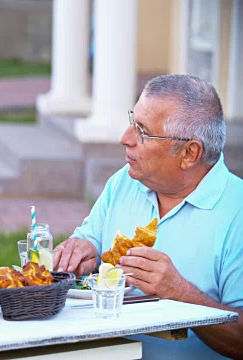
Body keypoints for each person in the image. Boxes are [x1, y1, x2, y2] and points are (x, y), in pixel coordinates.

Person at [53, 74, 242, 358]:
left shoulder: (237, 210)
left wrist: (180, 293)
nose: (125, 138)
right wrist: (83, 252)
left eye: (143, 131)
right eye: (132, 121)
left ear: (190, 153)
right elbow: (89, 241)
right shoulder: (124, 181)